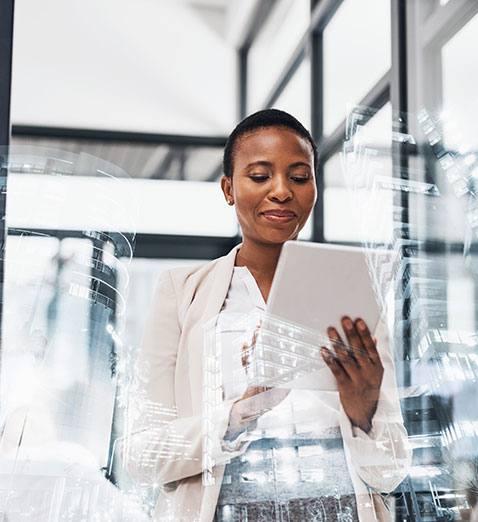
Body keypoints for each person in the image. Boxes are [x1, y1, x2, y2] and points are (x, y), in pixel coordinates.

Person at [122, 109, 411, 521]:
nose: (281, 191)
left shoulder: (353, 296)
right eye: (259, 176)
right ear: (228, 188)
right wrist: (237, 416)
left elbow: (392, 472)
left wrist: (364, 415)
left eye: (299, 177)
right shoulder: (182, 293)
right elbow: (141, 457)